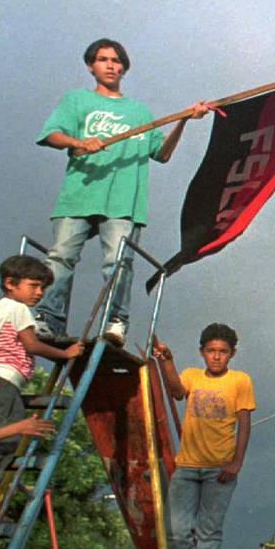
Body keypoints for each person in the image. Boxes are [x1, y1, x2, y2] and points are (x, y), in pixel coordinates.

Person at [33, 38, 209, 346]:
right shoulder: (77, 101)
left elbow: (162, 153)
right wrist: (79, 143)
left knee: (118, 262)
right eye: (103, 60)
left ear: (124, 67)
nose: (111, 65)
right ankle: (48, 318)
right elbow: (51, 135)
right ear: (91, 66)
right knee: (61, 256)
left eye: (116, 60)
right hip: (79, 195)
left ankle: (115, 322)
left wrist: (183, 120)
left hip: (123, 201)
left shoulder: (138, 112)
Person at [0, 256, 83, 523]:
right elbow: (31, 345)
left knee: (7, 438)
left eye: (42, 288)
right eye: (33, 286)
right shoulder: (17, 309)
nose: (39, 293)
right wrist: (65, 353)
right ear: (10, 284)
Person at [154, 324, 255, 549]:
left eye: (223, 352)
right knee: (175, 533)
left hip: (219, 470)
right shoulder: (192, 375)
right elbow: (175, 392)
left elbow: (244, 424)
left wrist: (236, 463)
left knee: (209, 533)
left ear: (232, 354)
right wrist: (167, 362)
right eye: (211, 351)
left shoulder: (240, 381)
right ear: (202, 352)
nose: (216, 357)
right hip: (187, 466)